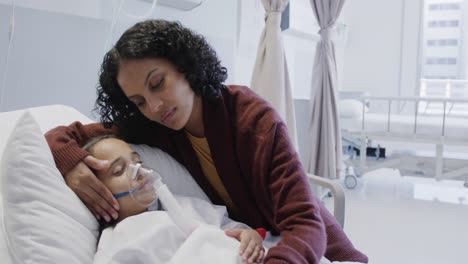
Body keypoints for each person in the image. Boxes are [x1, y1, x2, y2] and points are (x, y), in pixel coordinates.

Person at [45, 19, 368, 263]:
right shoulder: (154, 126)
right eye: (139, 101)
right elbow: (69, 134)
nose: (154, 107)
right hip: (248, 239)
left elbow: (304, 222)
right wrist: (69, 161)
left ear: (186, 67)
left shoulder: (250, 119)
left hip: (307, 244)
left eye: (158, 84)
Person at [83, 135, 265, 264]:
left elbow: (234, 229)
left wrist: (249, 235)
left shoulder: (183, 205)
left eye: (138, 162)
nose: (138, 172)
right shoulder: (117, 243)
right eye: (119, 170)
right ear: (96, 194)